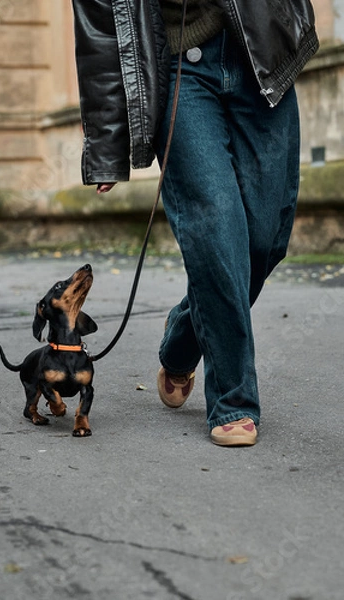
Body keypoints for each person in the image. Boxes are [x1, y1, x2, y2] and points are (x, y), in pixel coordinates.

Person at [71, 0, 319, 446]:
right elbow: (101, 30)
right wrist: (107, 146)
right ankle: (233, 399)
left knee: (263, 242)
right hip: (179, 73)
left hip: (259, 51)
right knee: (216, 235)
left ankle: (183, 342)